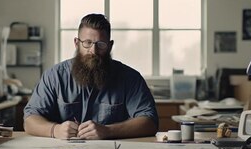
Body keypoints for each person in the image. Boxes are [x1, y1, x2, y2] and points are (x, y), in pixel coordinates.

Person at [23, 13, 158, 140]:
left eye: (100, 44)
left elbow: (150, 121)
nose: (93, 51)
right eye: (87, 43)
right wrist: (55, 130)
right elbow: (30, 120)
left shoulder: (130, 78)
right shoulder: (54, 76)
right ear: (77, 43)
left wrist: (108, 131)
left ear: (110, 46)